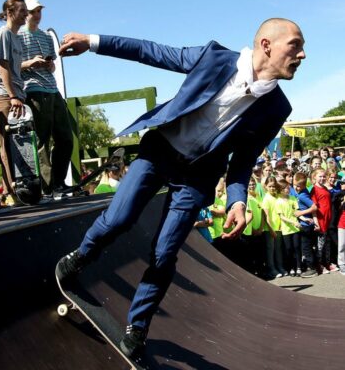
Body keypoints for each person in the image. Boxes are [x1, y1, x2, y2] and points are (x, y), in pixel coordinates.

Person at [55, 18, 305, 359]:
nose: (302, 54)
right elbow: (151, 51)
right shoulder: (214, 58)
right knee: (119, 220)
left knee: (164, 252)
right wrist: (93, 41)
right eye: (295, 45)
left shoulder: (277, 108)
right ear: (266, 45)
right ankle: (82, 255)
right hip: (159, 154)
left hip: (197, 177)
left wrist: (237, 201)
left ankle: (138, 325)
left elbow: (243, 161)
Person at [17, 0, 74, 197]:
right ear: (25, 13)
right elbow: (13, 65)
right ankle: (47, 186)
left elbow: (53, 64)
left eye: (39, 10)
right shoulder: (17, 35)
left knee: (66, 137)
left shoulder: (46, 36)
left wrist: (49, 65)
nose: (37, 15)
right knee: (41, 139)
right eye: (33, 11)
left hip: (52, 88)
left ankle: (58, 182)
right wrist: (30, 63)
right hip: (33, 88)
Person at [0, 0, 41, 204]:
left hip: (17, 94)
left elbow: (16, 68)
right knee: (8, 142)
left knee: (21, 142)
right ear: (10, 12)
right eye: (22, 11)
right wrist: (12, 96)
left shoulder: (16, 38)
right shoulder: (3, 34)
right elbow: (2, 67)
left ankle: (19, 187)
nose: (26, 15)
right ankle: (12, 193)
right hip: (3, 93)